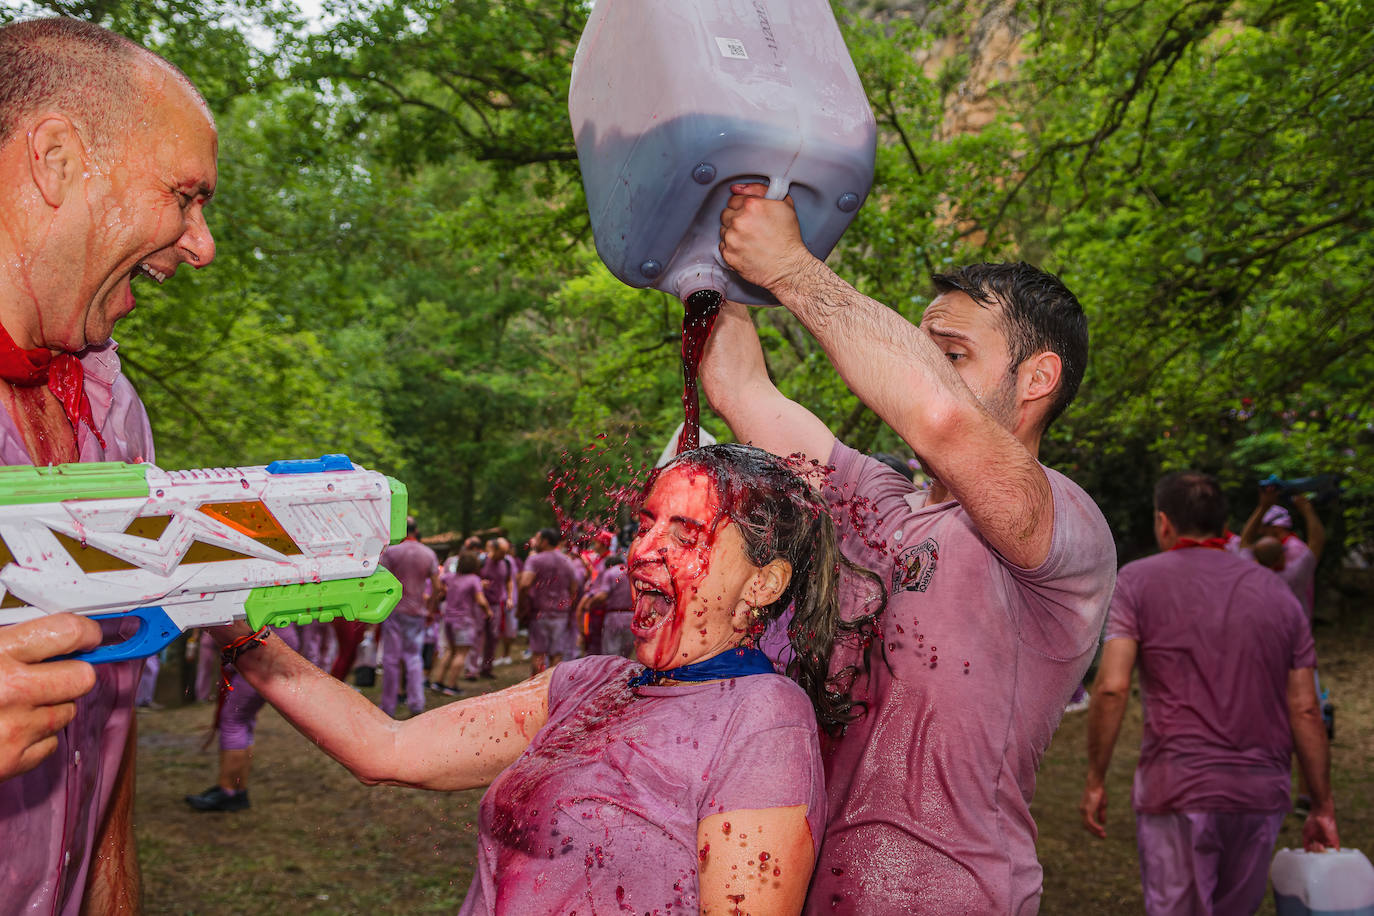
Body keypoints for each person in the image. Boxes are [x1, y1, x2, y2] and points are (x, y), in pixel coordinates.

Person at [204, 443, 859, 913]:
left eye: (684, 534)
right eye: (644, 525)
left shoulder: (764, 717)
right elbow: (388, 750)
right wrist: (233, 625)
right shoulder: (590, 685)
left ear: (764, 582)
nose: (641, 551)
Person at [705, 185, 1116, 913]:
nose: (921, 372)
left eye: (951, 354)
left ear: (1038, 379)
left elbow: (941, 416)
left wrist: (792, 268)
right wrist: (706, 261)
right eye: (920, 353)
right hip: (817, 889)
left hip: (957, 895)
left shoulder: (1063, 521)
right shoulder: (880, 500)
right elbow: (741, 389)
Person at [0, 17, 216, 913]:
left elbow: (105, 708)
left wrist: (115, 888)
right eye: (185, 195)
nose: (199, 246)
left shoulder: (114, 406)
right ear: (54, 159)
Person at [1080, 471, 1338, 915]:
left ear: (1164, 523)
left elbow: (1111, 688)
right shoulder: (1279, 595)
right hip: (1260, 791)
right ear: (1223, 524)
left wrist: (1097, 778)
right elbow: (1306, 709)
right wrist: (1322, 804)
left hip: (1177, 787)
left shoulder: (1139, 582)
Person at [185, 624, 301, 812]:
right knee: (243, 720)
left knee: (233, 721)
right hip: (269, 647)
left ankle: (228, 791)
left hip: (263, 649)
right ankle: (237, 790)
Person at [377, 516, 440, 717]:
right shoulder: (428, 553)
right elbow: (437, 587)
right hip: (417, 613)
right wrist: (431, 609)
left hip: (394, 611)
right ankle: (416, 703)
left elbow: (381, 581)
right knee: (414, 658)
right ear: (416, 530)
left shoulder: (391, 552)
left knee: (391, 659)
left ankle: (388, 705)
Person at [1240, 487, 1326, 619]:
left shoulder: (1295, 548)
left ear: (1275, 526)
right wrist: (1307, 510)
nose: (1260, 532)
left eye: (1264, 527)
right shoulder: (1292, 572)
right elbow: (1316, 542)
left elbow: (1245, 541)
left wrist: (1263, 506)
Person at [518, 527, 579, 674]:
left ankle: (536, 688)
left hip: (539, 613)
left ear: (544, 542)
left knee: (539, 653)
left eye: (537, 539)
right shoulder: (566, 560)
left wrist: (521, 606)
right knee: (556, 654)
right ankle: (551, 689)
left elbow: (525, 584)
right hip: (561, 614)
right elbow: (574, 588)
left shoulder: (534, 559)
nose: (534, 542)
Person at [429, 550, 490, 695]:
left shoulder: (450, 577)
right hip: (464, 621)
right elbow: (481, 600)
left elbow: (438, 582)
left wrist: (443, 591)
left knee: (450, 651)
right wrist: (488, 611)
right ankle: (451, 686)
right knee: (462, 653)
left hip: (448, 619)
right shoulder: (474, 579)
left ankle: (438, 682)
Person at [579, 553, 634, 658]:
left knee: (611, 655)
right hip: (631, 617)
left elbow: (603, 596)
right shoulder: (632, 573)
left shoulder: (610, 573)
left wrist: (590, 603)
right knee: (626, 657)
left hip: (614, 617)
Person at [480, 537, 519, 669]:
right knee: (478, 635)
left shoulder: (506, 563)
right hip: (480, 604)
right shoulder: (481, 560)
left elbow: (509, 580)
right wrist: (479, 583)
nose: (504, 555)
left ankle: (487, 667)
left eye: (505, 552)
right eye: (502, 552)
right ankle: (473, 669)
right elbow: (471, 578)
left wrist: (509, 597)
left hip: (496, 604)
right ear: (494, 549)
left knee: (493, 636)